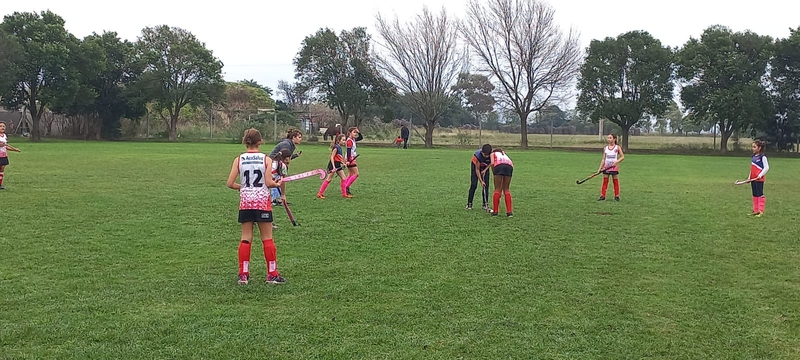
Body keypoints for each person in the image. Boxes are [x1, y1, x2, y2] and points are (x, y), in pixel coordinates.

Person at [226, 128, 286, 285]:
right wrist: (277, 183)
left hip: (245, 203)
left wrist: (244, 187)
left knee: (246, 238)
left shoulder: (239, 159)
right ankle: (272, 274)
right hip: (262, 203)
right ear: (260, 142)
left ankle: (243, 274)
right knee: (267, 238)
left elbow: (230, 183)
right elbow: (268, 183)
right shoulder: (266, 160)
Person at [269, 128, 302, 205]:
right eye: (299, 137)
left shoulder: (291, 144)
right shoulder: (286, 144)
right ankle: (274, 200)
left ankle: (279, 199)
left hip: (278, 163)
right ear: (293, 137)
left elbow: (287, 157)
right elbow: (284, 157)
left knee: (279, 180)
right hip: (273, 163)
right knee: (276, 180)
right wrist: (284, 166)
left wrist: (296, 155)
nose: (301, 139)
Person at [317, 134, 348, 199]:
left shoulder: (340, 147)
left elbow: (339, 158)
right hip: (332, 165)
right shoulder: (336, 147)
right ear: (338, 140)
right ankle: (320, 193)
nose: (344, 141)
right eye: (343, 140)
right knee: (329, 179)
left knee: (344, 178)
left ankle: (344, 194)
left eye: (345, 140)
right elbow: (332, 157)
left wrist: (344, 163)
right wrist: (333, 167)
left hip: (337, 165)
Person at [598, 133, 625, 201]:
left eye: (610, 138)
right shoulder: (605, 148)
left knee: (615, 181)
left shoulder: (617, 147)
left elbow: (622, 157)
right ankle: (602, 195)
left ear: (614, 139)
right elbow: (603, 159)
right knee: (605, 181)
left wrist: (616, 162)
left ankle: (617, 195)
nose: (609, 139)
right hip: (606, 167)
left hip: (614, 167)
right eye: (608, 138)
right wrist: (600, 168)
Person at [270, 149, 292, 228]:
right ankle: (268, 222)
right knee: (267, 205)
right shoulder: (283, 165)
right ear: (287, 158)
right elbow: (283, 181)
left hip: (259, 184)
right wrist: (283, 195)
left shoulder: (272, 161)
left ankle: (254, 220)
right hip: (266, 185)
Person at [466, 144, 492, 211]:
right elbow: (477, 170)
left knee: (486, 186)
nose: (485, 156)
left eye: (487, 155)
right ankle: (469, 203)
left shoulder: (492, 155)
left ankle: (485, 204)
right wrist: (481, 181)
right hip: (476, 166)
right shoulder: (478, 156)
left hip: (485, 167)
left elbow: (491, 163)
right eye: (484, 154)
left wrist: (485, 170)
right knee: (474, 185)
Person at [489, 148, 514, 217]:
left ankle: (495, 211)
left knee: (497, 189)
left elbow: (492, 163)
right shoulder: (504, 154)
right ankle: (509, 212)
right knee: (506, 189)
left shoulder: (493, 154)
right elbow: (511, 164)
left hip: (499, 166)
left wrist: (494, 172)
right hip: (509, 167)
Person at [749, 139, 769, 217]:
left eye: (754, 147)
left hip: (759, 179)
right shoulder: (754, 157)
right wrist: (749, 177)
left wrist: (760, 175)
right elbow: (752, 168)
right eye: (752, 147)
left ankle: (761, 211)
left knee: (759, 194)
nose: (752, 148)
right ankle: (755, 210)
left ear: (759, 148)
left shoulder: (762, 157)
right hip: (753, 179)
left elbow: (766, 167)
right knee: (754, 194)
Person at [0, 122, 21, 190]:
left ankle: (0, 184)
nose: (2, 127)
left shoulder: (4, 136)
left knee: (2, 169)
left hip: (3, 155)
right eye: (0, 126)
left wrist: (15, 150)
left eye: (4, 126)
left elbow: (6, 146)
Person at [343, 127, 362, 196]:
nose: (355, 134)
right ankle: (346, 187)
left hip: (351, 158)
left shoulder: (353, 139)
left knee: (350, 174)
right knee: (356, 174)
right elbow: (348, 151)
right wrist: (348, 160)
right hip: (350, 158)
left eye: (356, 132)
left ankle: (345, 187)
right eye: (354, 132)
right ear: (350, 133)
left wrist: (358, 132)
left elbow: (361, 138)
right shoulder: (349, 141)